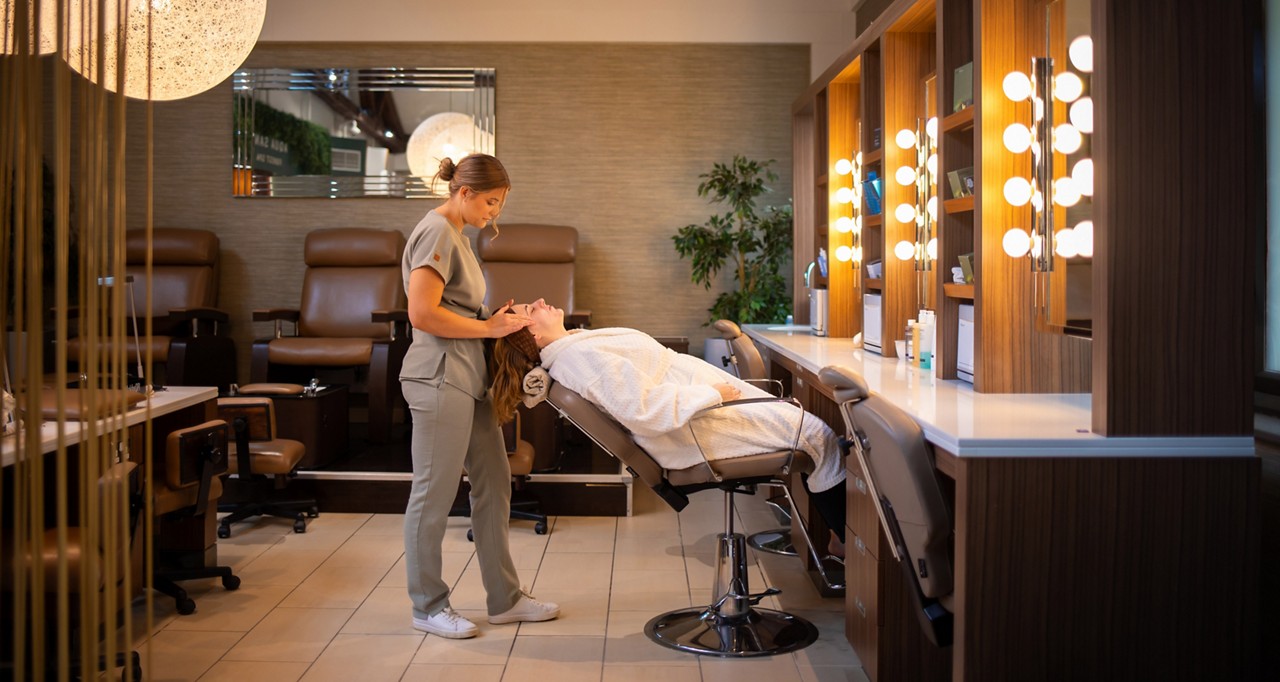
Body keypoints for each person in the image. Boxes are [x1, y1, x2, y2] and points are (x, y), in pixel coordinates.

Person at [489, 299, 848, 554]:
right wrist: (710, 394)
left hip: (697, 416)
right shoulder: (578, 357)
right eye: (529, 310)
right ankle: (845, 542)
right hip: (694, 429)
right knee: (819, 436)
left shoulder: (573, 348)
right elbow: (643, 410)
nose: (538, 301)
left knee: (813, 432)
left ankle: (838, 535)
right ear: (531, 336)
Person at [400, 154, 559, 640]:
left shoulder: (460, 240)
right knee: (433, 494)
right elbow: (422, 314)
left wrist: (502, 319)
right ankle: (428, 605)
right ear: (463, 192)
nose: (494, 214)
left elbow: (461, 310)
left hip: (469, 379)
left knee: (494, 481)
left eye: (499, 205)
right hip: (439, 376)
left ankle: (505, 599)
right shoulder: (435, 232)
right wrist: (488, 326)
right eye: (490, 202)